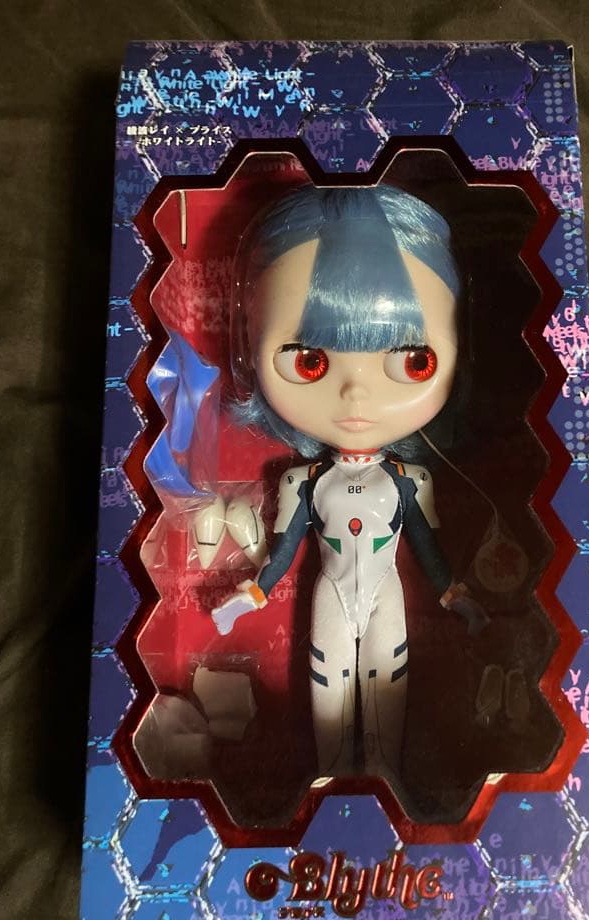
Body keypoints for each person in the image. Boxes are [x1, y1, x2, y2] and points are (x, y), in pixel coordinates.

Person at [211, 184, 486, 781]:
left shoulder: (409, 479)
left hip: (386, 592)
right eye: (309, 360)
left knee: (388, 678)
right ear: (251, 341)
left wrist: (454, 595)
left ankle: (385, 777)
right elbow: (284, 550)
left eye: (412, 360)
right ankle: (331, 776)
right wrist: (251, 594)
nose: (356, 393)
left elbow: (428, 548)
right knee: (329, 677)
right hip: (331, 592)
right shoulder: (304, 482)